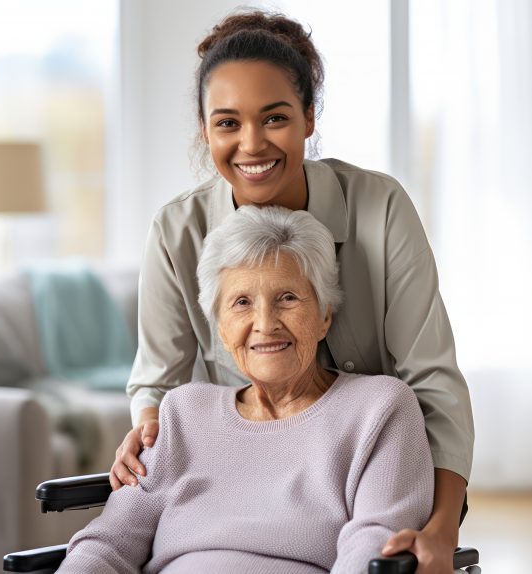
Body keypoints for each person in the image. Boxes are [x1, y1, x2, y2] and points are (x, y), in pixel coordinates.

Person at [112, 10, 474, 572]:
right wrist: (148, 429)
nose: (251, 144)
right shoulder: (176, 231)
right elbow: (156, 382)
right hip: (237, 494)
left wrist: (442, 530)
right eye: (227, 123)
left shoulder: (379, 209)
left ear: (309, 117)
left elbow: (432, 379)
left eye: (274, 117)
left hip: (365, 478)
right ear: (205, 131)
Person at [60, 206, 434, 573]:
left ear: (324, 316)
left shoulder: (379, 409)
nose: (265, 324)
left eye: (287, 298)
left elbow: (373, 546)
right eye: (242, 303)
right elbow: (109, 543)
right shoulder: (182, 412)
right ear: (221, 330)